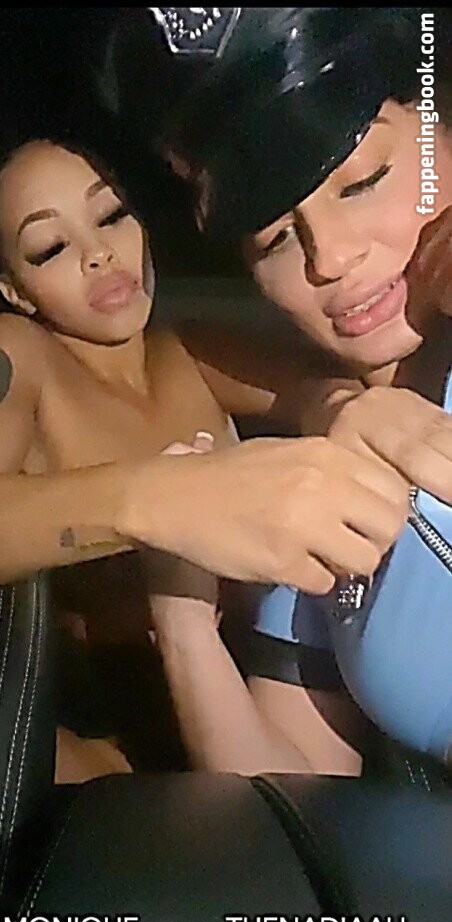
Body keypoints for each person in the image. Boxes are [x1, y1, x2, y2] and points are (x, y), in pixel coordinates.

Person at [106, 7, 452, 776]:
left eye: (363, 182)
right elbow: (283, 792)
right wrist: (181, 611)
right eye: (275, 238)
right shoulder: (314, 484)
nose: (329, 258)